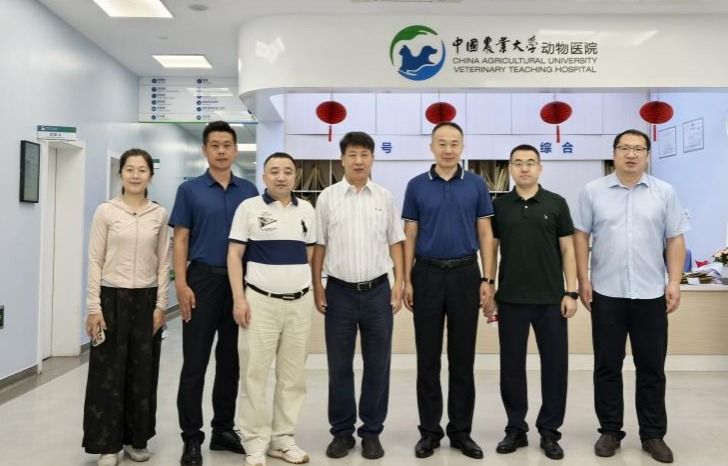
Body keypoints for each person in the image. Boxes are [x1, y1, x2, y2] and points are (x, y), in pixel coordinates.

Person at [574, 129, 689, 464]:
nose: (631, 154)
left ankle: (653, 435)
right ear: (614, 153)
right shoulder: (593, 191)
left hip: (650, 293)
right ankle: (610, 430)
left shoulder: (664, 192)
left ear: (647, 155)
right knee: (607, 365)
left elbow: (675, 238)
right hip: (606, 293)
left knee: (651, 367)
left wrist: (674, 281)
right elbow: (580, 236)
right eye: (624, 148)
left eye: (638, 148)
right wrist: (583, 278)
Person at [402, 121, 495, 460]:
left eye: (454, 143)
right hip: (426, 274)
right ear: (431, 147)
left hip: (465, 274)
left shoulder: (476, 184)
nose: (448, 149)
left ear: (462, 147)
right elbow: (410, 235)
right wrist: (406, 279)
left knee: (462, 359)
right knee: (427, 360)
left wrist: (488, 279)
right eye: (441, 143)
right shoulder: (416, 186)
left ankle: (461, 432)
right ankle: (429, 432)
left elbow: (485, 233)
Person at [170, 120, 259, 466]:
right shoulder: (190, 190)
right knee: (195, 363)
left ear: (235, 150)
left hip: (239, 284)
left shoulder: (249, 191)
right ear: (204, 150)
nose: (221, 151)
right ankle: (191, 437)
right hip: (202, 281)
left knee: (231, 362)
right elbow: (180, 239)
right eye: (215, 145)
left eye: (227, 145)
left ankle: (223, 429)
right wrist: (181, 284)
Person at [312, 131, 405, 460]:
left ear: (372, 159)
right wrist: (318, 285)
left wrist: (400, 281)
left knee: (378, 365)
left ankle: (371, 432)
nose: (358, 160)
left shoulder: (384, 197)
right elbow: (319, 245)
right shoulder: (327, 198)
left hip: (378, 292)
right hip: (339, 292)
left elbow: (396, 242)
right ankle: (342, 432)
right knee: (339, 366)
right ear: (342, 159)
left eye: (364, 154)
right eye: (352, 154)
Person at [487, 144, 577, 460]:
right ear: (510, 168)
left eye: (530, 162)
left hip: (551, 300)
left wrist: (571, 292)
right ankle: (516, 428)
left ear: (540, 168)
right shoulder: (499, 206)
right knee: (511, 367)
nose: (524, 168)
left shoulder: (556, 203)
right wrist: (489, 287)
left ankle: (550, 431)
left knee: (555, 367)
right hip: (511, 299)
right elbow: (491, 249)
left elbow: (568, 249)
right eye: (518, 163)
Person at [227, 152, 316, 466]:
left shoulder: (307, 210)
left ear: (295, 176)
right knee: (255, 374)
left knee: (293, 377)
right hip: (259, 303)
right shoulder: (249, 208)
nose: (281, 176)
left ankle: (282, 440)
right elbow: (234, 255)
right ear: (264, 176)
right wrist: (239, 298)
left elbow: (309, 254)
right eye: (274, 171)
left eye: (288, 171)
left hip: (299, 303)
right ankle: (254, 442)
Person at [82, 148, 169, 466]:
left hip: (146, 301)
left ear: (150, 176)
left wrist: (161, 304)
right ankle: (108, 444)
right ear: (121, 174)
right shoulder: (106, 211)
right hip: (111, 299)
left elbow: (163, 262)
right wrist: (94, 306)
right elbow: (95, 259)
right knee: (108, 373)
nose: (135, 175)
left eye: (141, 170)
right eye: (129, 169)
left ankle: (136, 439)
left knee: (142, 373)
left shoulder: (159, 214)